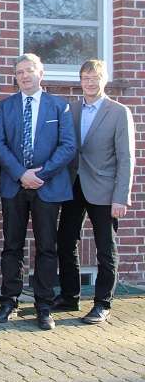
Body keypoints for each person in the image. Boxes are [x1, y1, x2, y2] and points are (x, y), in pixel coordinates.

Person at [0, 53, 76, 331]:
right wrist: (21, 174)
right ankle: (9, 301)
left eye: (29, 70)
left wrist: (41, 174)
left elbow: (68, 145)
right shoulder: (5, 106)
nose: (24, 76)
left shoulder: (59, 106)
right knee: (11, 246)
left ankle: (44, 306)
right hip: (14, 185)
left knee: (47, 247)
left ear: (41, 73)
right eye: (19, 72)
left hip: (47, 186)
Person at [56, 59, 135, 324]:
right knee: (65, 241)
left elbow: (126, 158)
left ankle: (103, 303)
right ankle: (70, 296)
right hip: (74, 185)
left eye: (95, 78)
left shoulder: (119, 112)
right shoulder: (72, 109)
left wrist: (121, 197)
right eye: (85, 78)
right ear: (80, 81)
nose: (90, 83)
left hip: (104, 189)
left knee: (105, 248)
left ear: (104, 80)